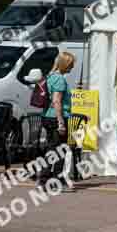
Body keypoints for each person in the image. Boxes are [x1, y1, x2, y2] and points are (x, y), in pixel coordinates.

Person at [39, 52, 75, 189]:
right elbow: (56, 101)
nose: (72, 67)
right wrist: (61, 122)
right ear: (65, 64)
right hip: (57, 118)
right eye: (71, 64)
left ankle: (52, 179)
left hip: (48, 116)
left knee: (53, 150)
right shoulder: (60, 79)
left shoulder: (50, 76)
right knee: (58, 150)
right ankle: (49, 179)